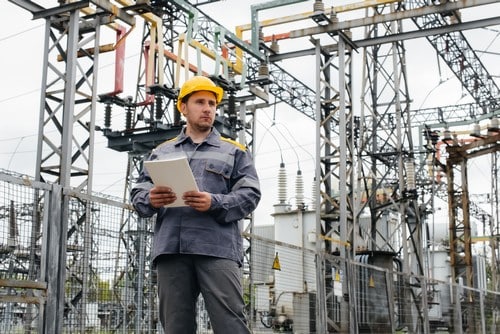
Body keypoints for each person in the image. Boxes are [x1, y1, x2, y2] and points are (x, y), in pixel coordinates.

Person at [130, 75, 261, 334]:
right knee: (176, 326)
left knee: (230, 323)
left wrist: (215, 202)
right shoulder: (161, 152)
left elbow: (250, 194)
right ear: (183, 107)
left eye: (212, 104)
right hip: (172, 250)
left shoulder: (234, 151)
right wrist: (150, 198)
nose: (208, 109)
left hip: (217, 249)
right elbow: (138, 194)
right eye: (200, 102)